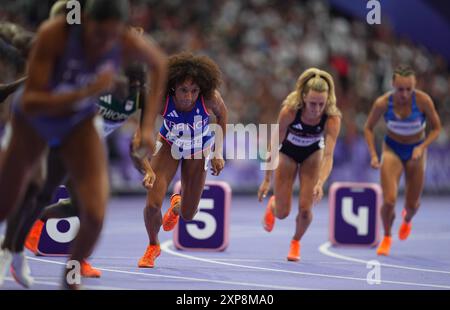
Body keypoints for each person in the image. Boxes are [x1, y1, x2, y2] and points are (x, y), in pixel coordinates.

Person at [0, 0, 167, 289]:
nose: (104, 44)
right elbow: (34, 98)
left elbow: (160, 65)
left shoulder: (125, 48)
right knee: (13, 198)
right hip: (35, 118)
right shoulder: (55, 36)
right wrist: (89, 90)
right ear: (84, 24)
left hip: (79, 124)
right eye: (98, 35)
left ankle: (71, 275)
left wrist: (149, 126)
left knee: (93, 212)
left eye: (111, 37)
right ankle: (11, 248)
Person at [0, 61, 147, 287]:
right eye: (126, 85)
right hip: (57, 138)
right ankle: (12, 246)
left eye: (135, 87)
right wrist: (8, 89)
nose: (129, 91)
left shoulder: (140, 96)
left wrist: (145, 162)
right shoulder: (97, 83)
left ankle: (68, 259)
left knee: (81, 208)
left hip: (86, 148)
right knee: (39, 194)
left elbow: (140, 140)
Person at [135, 52, 227, 268]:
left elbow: (222, 116)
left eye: (194, 91)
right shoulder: (160, 99)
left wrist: (217, 151)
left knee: (188, 214)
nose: (189, 96)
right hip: (169, 145)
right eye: (184, 90)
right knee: (152, 205)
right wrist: (147, 168)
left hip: (198, 148)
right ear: (173, 86)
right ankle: (152, 246)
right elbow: (140, 135)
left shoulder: (210, 98)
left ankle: (177, 205)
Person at [258, 68, 341, 261]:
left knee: (305, 209)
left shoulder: (332, 118)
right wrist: (267, 179)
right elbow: (274, 143)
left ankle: (296, 241)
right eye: (312, 103)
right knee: (282, 213)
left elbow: (328, 155)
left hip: (312, 155)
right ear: (303, 97)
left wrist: (320, 182)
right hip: (287, 153)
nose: (317, 109)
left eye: (321, 104)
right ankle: (273, 206)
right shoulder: (289, 111)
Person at [363, 65, 441, 256]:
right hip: (392, 150)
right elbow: (368, 128)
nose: (404, 94)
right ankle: (387, 236)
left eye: (408, 89)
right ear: (392, 86)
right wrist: (374, 154)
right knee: (389, 201)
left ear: (414, 87)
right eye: (400, 89)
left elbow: (437, 128)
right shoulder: (383, 103)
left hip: (416, 151)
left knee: (412, 205)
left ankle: (407, 220)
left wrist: (421, 147)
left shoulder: (423, 101)